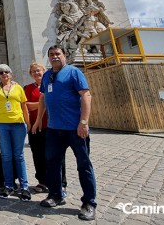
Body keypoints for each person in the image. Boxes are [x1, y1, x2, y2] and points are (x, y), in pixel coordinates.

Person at [32, 45, 97, 221]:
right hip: (54, 129)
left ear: (64, 55)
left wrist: (84, 122)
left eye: (57, 54)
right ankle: (55, 195)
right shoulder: (46, 75)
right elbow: (44, 97)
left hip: (75, 129)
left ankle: (89, 203)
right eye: (51, 54)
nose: (54, 57)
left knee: (83, 165)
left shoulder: (74, 72)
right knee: (52, 163)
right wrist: (39, 120)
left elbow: (86, 96)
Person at [0, 64, 31, 201]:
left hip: (18, 124)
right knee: (6, 156)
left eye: (6, 71)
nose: (4, 74)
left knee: (19, 156)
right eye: (1, 72)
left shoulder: (18, 88)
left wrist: (28, 123)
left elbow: (24, 106)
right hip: (1, 125)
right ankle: (9, 185)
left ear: (11, 74)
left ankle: (24, 187)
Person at [24, 62, 67, 194]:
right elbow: (26, 106)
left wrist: (38, 103)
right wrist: (44, 102)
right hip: (35, 127)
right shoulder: (28, 88)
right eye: (34, 71)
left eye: (39, 70)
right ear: (31, 74)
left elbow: (57, 101)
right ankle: (42, 181)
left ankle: (61, 182)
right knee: (38, 155)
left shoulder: (51, 85)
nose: (37, 73)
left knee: (56, 155)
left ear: (44, 71)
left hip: (52, 126)